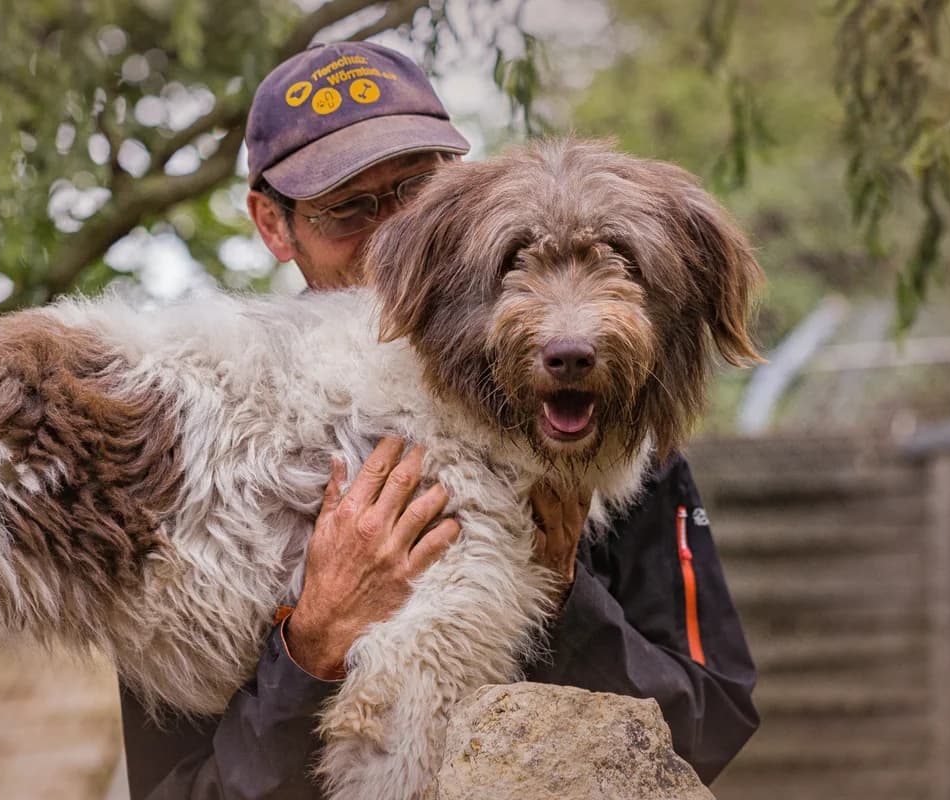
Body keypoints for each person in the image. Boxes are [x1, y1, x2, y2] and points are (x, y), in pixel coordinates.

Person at [119, 41, 759, 799]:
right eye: (350, 209)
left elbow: (710, 728)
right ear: (273, 225)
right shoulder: (202, 446)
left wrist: (562, 596)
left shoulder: (605, 427)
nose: (398, 238)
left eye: (416, 189)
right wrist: (309, 650)